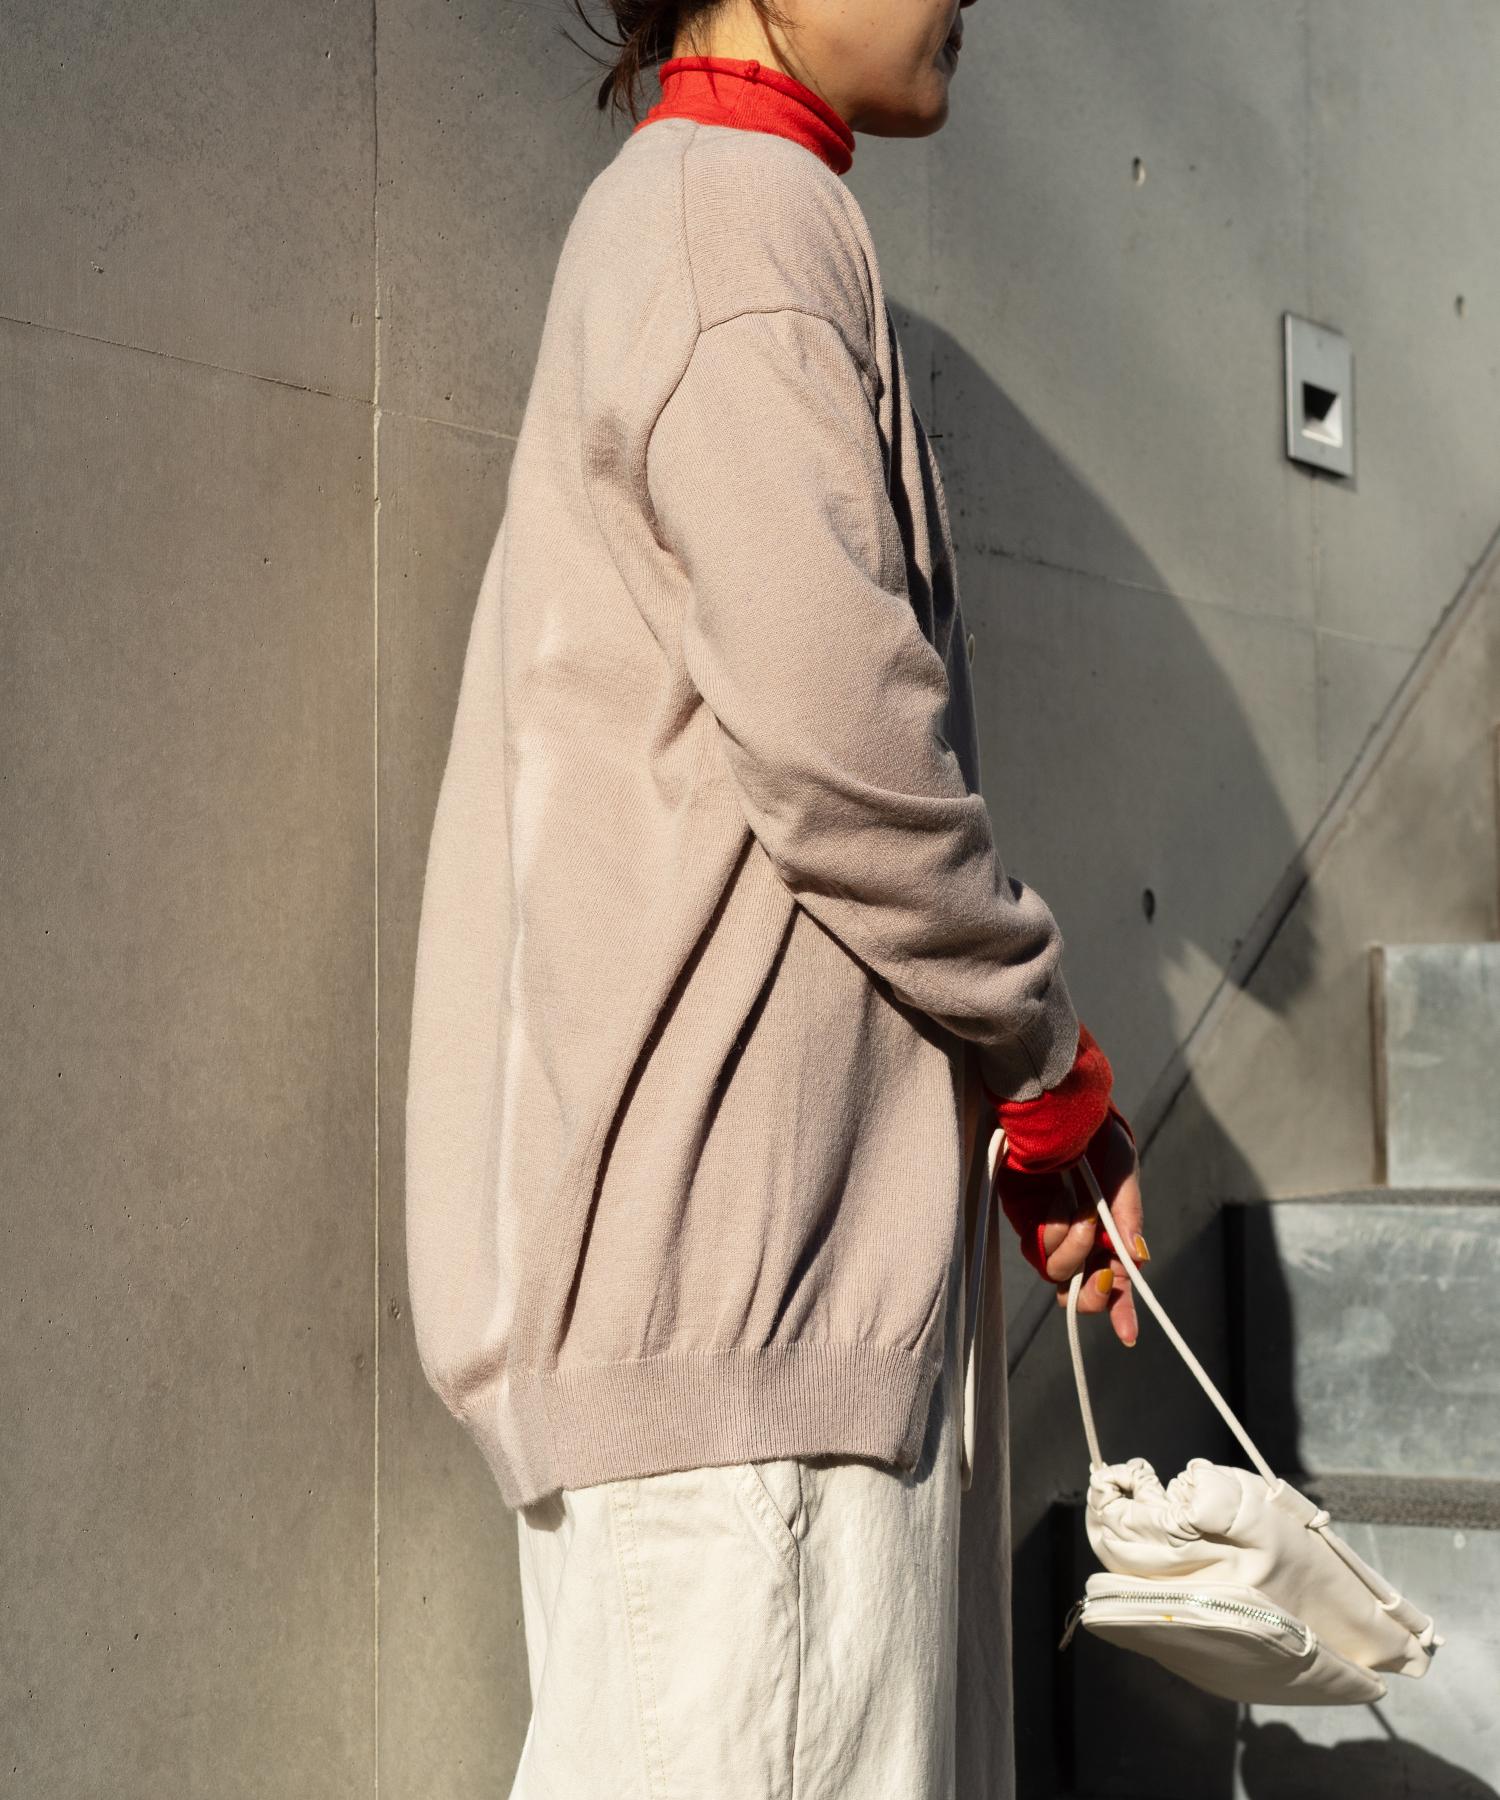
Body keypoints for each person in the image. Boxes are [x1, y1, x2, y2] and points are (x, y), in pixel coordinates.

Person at [403, 0, 1149, 1793]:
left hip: (747, 1354)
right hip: (752, 1376)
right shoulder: (733, 224)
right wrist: (1045, 1060)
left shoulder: (719, 212)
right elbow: (849, 752)